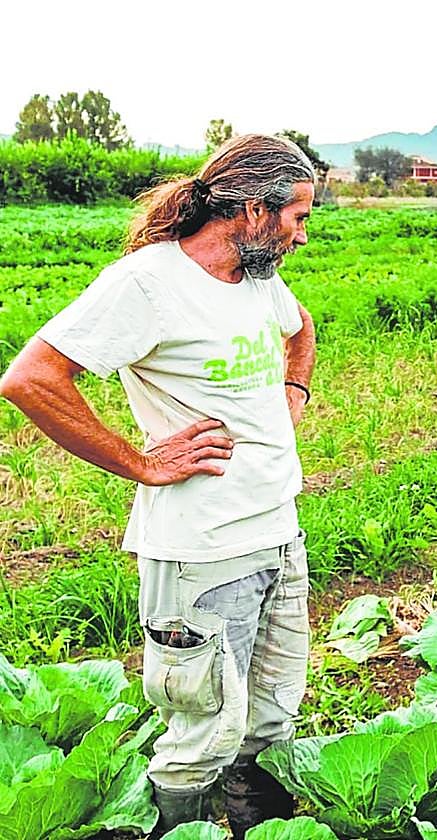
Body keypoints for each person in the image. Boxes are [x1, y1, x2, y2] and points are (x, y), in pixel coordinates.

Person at [0, 134, 318, 839]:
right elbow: (30, 380)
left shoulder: (257, 276)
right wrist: (142, 463)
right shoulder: (148, 283)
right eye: (297, 216)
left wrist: (293, 388)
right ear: (253, 208)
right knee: (202, 731)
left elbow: (302, 331)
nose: (302, 234)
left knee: (268, 715)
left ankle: (252, 826)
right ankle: (179, 829)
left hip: (277, 531)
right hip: (202, 550)